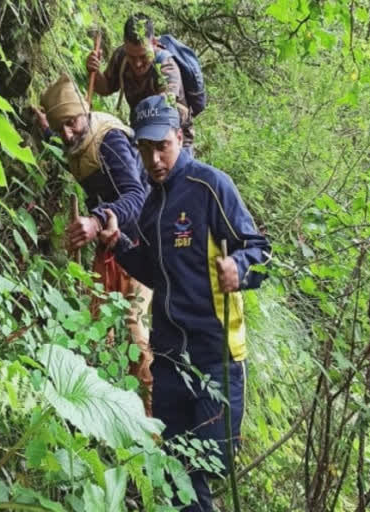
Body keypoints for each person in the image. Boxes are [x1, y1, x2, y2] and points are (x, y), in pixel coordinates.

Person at [98, 95, 271, 511]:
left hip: (217, 359)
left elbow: (262, 253)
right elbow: (156, 273)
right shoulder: (153, 204)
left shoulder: (210, 187)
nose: (155, 158)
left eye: (163, 146)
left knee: (205, 465)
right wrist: (118, 243)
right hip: (170, 360)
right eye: (146, 148)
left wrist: (241, 268)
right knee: (178, 473)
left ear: (179, 138)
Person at [34, 73, 154, 415]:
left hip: (137, 242)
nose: (67, 133)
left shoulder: (111, 141)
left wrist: (98, 218)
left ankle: (150, 417)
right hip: (106, 242)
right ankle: (96, 404)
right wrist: (46, 128)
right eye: (61, 129)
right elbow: (67, 144)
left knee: (134, 324)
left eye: (71, 123)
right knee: (96, 318)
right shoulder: (74, 138)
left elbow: (137, 196)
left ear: (85, 111)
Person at [85, 13, 195, 151]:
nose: (137, 64)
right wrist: (93, 71)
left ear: (154, 43)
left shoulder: (167, 66)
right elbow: (106, 88)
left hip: (174, 139)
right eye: (132, 57)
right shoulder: (121, 56)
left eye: (143, 56)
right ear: (125, 44)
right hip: (141, 133)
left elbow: (164, 107)